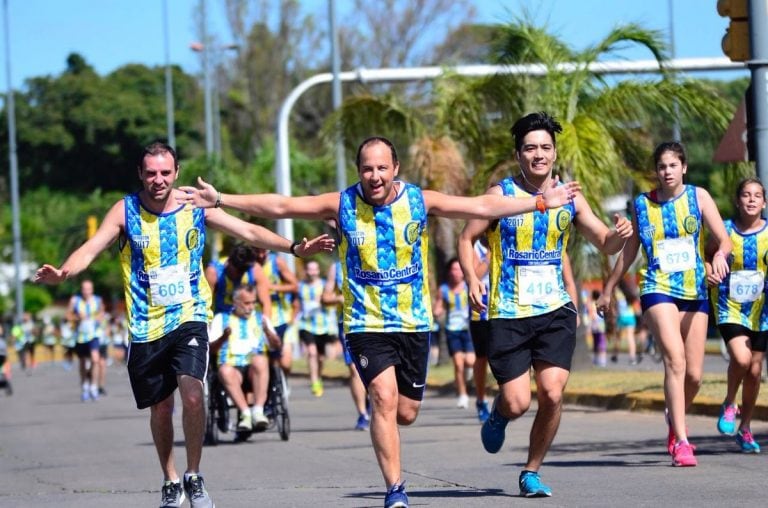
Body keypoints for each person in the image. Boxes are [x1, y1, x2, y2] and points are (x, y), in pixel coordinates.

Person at [178, 134, 579, 508]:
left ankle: (438, 437)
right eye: (367, 168)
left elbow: (482, 207)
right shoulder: (342, 203)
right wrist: (221, 199)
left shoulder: (421, 200)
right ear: (358, 172)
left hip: (413, 323)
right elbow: (282, 205)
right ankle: (396, 489)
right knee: (383, 398)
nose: (375, 176)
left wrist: (543, 202)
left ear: (396, 168)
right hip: (366, 323)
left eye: (382, 168)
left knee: (406, 412)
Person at [34, 141, 333, 508]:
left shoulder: (195, 204)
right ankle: (171, 479)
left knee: (192, 392)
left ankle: (194, 475)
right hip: (146, 326)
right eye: (151, 173)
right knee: (161, 409)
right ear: (140, 175)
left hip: (190, 315)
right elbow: (91, 248)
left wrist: (294, 249)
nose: (158, 180)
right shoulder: (125, 210)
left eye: (165, 173)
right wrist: (64, 272)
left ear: (175, 173)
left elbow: (248, 232)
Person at [458, 112, 633, 497]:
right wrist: (472, 277)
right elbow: (464, 237)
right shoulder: (500, 195)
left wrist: (619, 235)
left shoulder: (570, 197)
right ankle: (500, 414)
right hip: (509, 313)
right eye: (531, 148)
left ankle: (531, 471)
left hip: (555, 310)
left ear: (555, 153)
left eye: (546, 148)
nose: (539, 155)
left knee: (553, 393)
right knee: (518, 401)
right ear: (518, 153)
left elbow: (604, 242)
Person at [598, 141, 731, 467]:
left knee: (695, 376)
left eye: (673, 165)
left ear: (683, 167)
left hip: (695, 290)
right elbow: (629, 252)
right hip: (657, 288)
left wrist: (718, 257)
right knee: (675, 361)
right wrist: (608, 288)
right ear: (655, 171)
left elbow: (724, 239)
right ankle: (683, 441)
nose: (667, 171)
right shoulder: (642, 204)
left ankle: (675, 418)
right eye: (662, 166)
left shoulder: (699, 197)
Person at [709, 178, 768, 453]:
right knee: (742, 359)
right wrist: (709, 268)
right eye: (746, 195)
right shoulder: (725, 232)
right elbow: (707, 255)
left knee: (755, 371)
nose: (752, 200)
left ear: (764, 202)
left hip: (761, 309)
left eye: (757, 195)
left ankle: (745, 429)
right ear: (737, 200)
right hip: (729, 305)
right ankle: (730, 402)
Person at [209, 284, 278, 433]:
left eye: (254, 302)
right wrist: (223, 337)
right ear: (235, 302)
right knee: (225, 371)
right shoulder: (221, 319)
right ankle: (246, 414)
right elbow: (211, 349)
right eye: (247, 303)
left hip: (254, 370)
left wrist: (268, 332)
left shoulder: (261, 319)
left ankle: (258, 411)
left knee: (261, 360)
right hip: (232, 367)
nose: (251, 307)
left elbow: (276, 346)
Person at [323, 259, 370, 430]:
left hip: (375, 321)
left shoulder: (375, 257)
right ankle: (363, 414)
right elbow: (325, 297)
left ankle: (373, 400)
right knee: (354, 368)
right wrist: (339, 298)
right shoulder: (336, 267)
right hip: (348, 323)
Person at [432, 257, 474, 409]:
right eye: (453, 269)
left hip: (468, 329)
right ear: (450, 272)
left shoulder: (468, 286)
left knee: (470, 361)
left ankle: (469, 374)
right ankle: (462, 394)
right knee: (458, 363)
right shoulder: (443, 290)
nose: (456, 273)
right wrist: (437, 311)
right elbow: (438, 307)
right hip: (452, 330)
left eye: (458, 269)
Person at [294, 259, 337, 397]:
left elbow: (331, 300)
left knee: (320, 358)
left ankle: (318, 376)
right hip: (306, 325)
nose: (312, 272)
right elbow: (296, 303)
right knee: (311, 352)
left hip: (323, 325)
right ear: (306, 271)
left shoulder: (325, 285)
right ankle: (314, 381)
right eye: (310, 269)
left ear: (318, 271)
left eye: (315, 269)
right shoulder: (300, 286)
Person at [253, 247, 298, 377]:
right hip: (259, 318)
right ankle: (271, 389)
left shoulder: (277, 262)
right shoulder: (249, 265)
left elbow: (295, 285)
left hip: (282, 317)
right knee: (265, 361)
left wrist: (271, 287)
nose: (261, 255)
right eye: (257, 251)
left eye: (263, 252)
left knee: (285, 363)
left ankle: (283, 383)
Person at [67, 279, 105, 401]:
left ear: (92, 290)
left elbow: (102, 313)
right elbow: (68, 315)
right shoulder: (75, 300)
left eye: (89, 289)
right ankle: (85, 386)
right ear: (81, 290)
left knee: (95, 359)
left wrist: (98, 318)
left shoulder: (97, 300)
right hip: (80, 336)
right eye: (84, 289)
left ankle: (94, 386)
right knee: (83, 361)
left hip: (94, 334)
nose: (86, 292)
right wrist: (77, 317)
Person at [469, 236, 492, 422]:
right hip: (481, 311)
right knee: (482, 357)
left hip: (504, 307)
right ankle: (481, 399)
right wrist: (490, 256)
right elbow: (474, 274)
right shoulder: (475, 246)